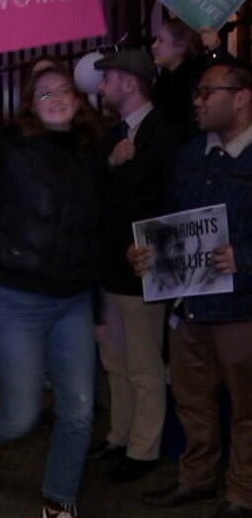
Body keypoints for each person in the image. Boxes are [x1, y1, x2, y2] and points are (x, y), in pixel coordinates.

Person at [0, 20, 106, 518]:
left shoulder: (92, 154)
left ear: (78, 99)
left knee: (78, 410)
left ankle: (59, 500)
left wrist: (94, 305)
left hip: (73, 299)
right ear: (31, 102)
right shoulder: (9, 147)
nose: (55, 97)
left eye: (63, 90)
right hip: (19, 299)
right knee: (20, 414)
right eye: (43, 91)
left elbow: (91, 233)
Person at [131, 59, 252, 518]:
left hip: (241, 308)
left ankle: (242, 493)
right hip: (189, 308)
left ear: (241, 96)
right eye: (197, 94)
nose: (197, 102)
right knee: (193, 402)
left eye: (207, 93)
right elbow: (171, 221)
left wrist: (246, 257)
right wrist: (144, 252)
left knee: (246, 409)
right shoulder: (189, 155)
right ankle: (197, 480)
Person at [87, 49, 178, 483]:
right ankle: (119, 435)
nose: (100, 87)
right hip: (110, 267)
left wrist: (121, 170)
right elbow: (93, 190)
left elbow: (161, 198)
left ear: (129, 81)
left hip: (143, 267)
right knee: (116, 361)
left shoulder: (164, 132)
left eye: (107, 79)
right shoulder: (113, 136)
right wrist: (111, 163)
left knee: (143, 365)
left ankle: (144, 448)